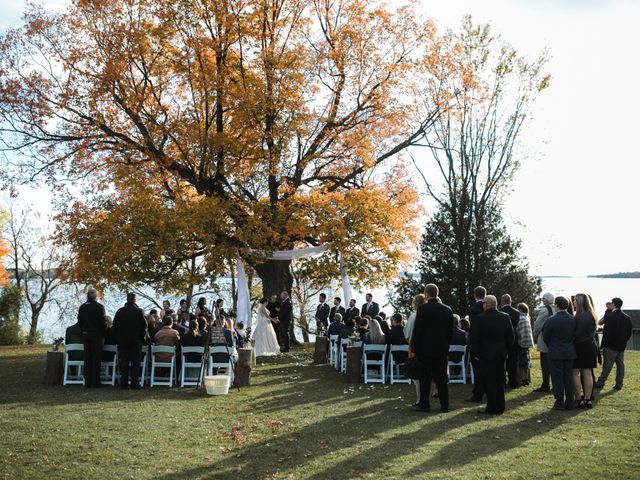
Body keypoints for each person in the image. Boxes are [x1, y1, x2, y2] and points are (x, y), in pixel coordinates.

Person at [411, 283, 453, 413]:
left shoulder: (423, 310)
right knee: (441, 378)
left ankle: (424, 404)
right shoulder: (447, 310)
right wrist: (446, 345)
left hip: (425, 350)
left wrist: (415, 349)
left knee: (425, 378)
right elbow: (449, 332)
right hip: (441, 349)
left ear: (426, 294)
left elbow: (418, 331)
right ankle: (445, 405)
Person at [470, 295, 514, 415]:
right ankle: (501, 406)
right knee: (500, 381)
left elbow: (475, 339)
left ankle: (491, 407)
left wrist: (475, 354)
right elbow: (511, 337)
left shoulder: (480, 318)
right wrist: (506, 350)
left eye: (483, 303)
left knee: (489, 381)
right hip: (500, 354)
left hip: (485, 354)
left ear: (487, 304)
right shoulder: (505, 317)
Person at [543, 296, 577, 410]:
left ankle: (559, 402)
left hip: (555, 351)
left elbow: (546, 336)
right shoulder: (573, 319)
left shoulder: (551, 320)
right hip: (569, 351)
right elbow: (574, 335)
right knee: (568, 377)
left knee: (557, 378)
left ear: (556, 305)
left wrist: (551, 345)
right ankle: (570, 402)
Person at [595, 297, 632, 391]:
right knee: (620, 365)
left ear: (614, 304)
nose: (610, 304)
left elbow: (606, 330)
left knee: (607, 365)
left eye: (611, 303)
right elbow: (629, 333)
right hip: (621, 345)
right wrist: (624, 341)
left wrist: (603, 345)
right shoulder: (627, 317)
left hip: (610, 345)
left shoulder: (610, 316)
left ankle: (600, 382)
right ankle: (619, 384)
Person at [113, 293, 148, 389]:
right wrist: (141, 338)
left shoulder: (120, 311)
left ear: (127, 299)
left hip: (123, 341)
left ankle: (123, 383)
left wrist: (119, 338)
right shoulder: (139, 311)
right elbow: (144, 327)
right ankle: (134, 383)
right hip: (136, 341)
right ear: (134, 300)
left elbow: (114, 326)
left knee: (124, 362)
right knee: (135, 363)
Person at [572, 293, 599, 408]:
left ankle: (578, 398)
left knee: (575, 373)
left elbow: (577, 333)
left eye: (575, 300)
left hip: (580, 346)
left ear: (579, 302)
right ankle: (588, 399)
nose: (573, 302)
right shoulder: (592, 315)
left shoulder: (579, 317)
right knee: (587, 372)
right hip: (590, 346)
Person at [77, 288, 107, 388]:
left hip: (85, 335)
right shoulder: (99, 307)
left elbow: (79, 322)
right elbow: (103, 322)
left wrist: (83, 331)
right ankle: (95, 381)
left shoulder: (82, 307)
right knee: (96, 359)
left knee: (87, 358)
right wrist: (103, 333)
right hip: (97, 336)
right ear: (95, 297)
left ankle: (87, 381)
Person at [405, 293, 426, 406]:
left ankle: (419, 399)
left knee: (416, 373)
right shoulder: (428, 314)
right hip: (428, 345)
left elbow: (407, 334)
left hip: (414, 346)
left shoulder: (414, 316)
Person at [467, 286, 486, 402]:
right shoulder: (488, 307)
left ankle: (478, 393)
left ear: (475, 295)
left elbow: (474, 330)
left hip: (477, 344)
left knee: (477, 370)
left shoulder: (473, 310)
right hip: (488, 343)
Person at [532, 292, 555, 393]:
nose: (542, 300)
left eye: (543, 299)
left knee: (545, 363)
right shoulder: (556, 309)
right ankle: (555, 384)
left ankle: (545, 385)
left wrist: (534, 336)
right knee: (554, 364)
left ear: (546, 300)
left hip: (544, 339)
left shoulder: (545, 310)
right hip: (554, 340)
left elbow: (537, 326)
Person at [501, 294, 521, 389]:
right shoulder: (517, 312)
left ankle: (503, 382)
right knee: (513, 361)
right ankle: (513, 381)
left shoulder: (501, 312)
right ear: (510, 301)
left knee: (503, 362)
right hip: (514, 338)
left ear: (502, 301)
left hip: (503, 339)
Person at [516, 303, 534, 386]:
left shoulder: (521, 318)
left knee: (522, 362)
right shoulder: (527, 317)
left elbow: (518, 330)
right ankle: (527, 378)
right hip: (528, 342)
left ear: (520, 309)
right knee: (527, 362)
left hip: (522, 342)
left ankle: (523, 379)